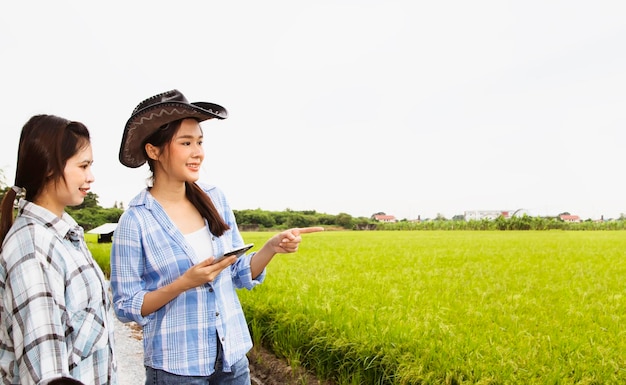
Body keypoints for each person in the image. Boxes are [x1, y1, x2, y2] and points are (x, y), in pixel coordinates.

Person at [110, 89, 323, 385]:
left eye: (199, 142)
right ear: (153, 151)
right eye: (186, 143)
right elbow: (125, 305)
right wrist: (185, 283)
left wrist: (271, 247)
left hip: (232, 357)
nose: (198, 152)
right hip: (176, 368)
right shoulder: (135, 221)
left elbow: (236, 271)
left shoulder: (214, 198)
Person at [0, 115, 117, 384]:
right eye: (83, 166)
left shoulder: (65, 234)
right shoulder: (32, 250)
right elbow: (46, 373)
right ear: (50, 168)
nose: (91, 177)